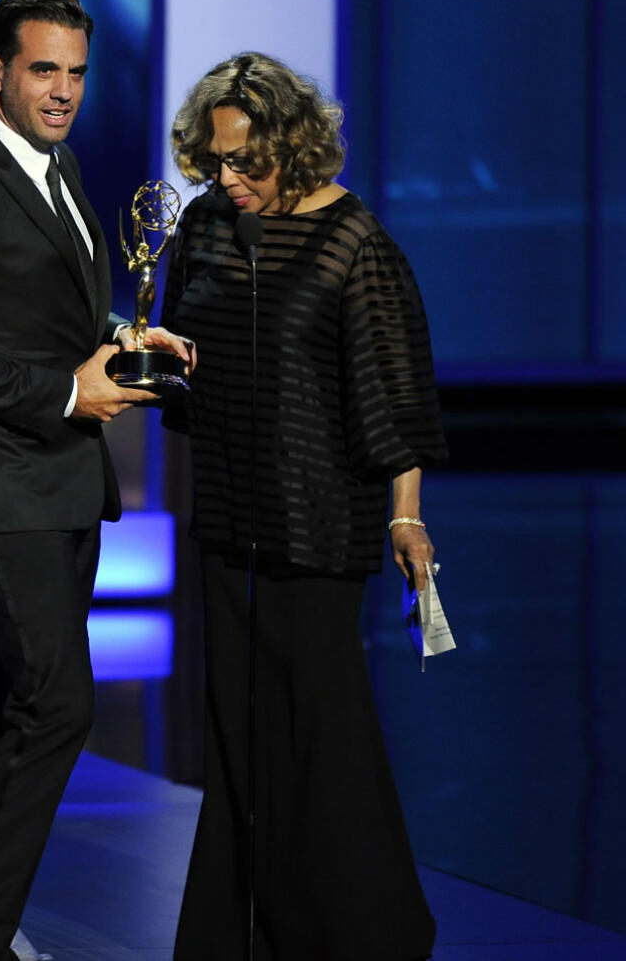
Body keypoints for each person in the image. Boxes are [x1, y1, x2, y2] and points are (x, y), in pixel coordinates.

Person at [0, 0, 193, 961]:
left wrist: (121, 337)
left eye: (73, 71)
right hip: (1, 478)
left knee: (11, 705)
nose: (61, 90)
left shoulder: (51, 167)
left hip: (58, 480)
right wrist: (67, 394)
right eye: (41, 70)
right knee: (56, 699)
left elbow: (32, 311)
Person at [161, 51, 446, 961]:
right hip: (228, 510)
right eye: (216, 162)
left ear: (293, 145)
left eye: (247, 160)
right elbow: (178, 358)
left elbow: (393, 396)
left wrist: (406, 516)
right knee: (237, 733)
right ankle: (238, 931)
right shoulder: (205, 229)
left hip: (321, 519)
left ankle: (367, 931)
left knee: (320, 728)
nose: (230, 179)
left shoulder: (352, 242)